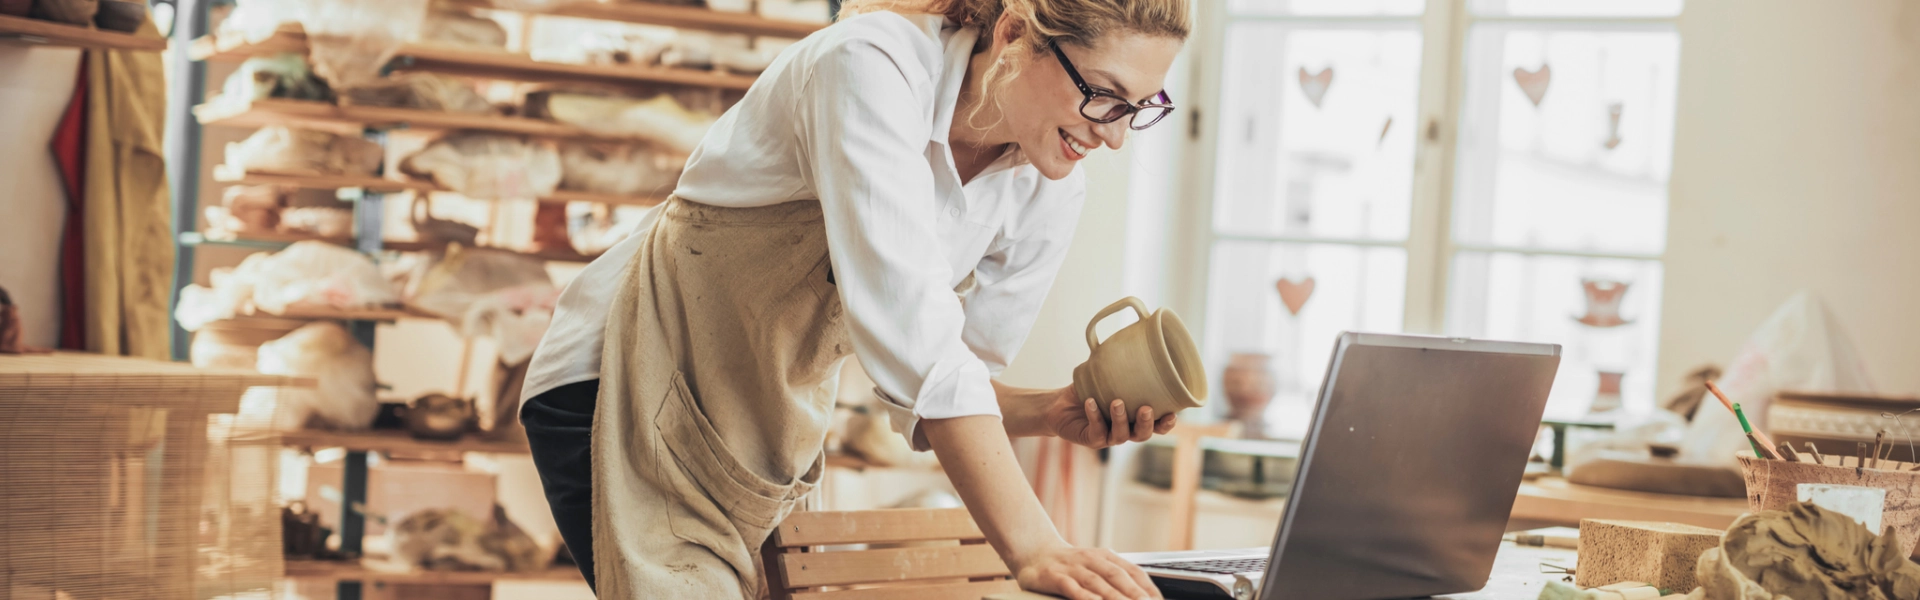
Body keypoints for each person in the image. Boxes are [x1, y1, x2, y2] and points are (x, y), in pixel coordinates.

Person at [518, 0, 1189, 597]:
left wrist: (1050, 411)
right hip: (615, 386)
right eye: (1102, 95)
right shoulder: (870, 66)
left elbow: (942, 397)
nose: (1113, 134)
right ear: (1014, 34)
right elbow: (920, 348)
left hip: (756, 439)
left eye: (1139, 108)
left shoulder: (1049, 185)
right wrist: (1036, 546)